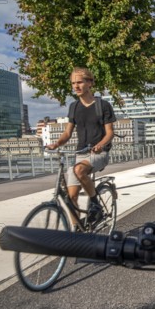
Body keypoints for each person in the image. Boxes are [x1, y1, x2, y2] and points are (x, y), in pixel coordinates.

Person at [46, 67, 116, 225]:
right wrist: (56, 143)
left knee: (79, 170)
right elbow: (67, 133)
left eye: (79, 82)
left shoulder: (103, 105)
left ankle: (96, 205)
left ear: (90, 83)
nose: (75, 86)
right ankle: (78, 232)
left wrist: (100, 145)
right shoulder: (74, 107)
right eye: (73, 83)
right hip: (80, 154)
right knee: (71, 198)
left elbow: (110, 133)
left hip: (99, 153)